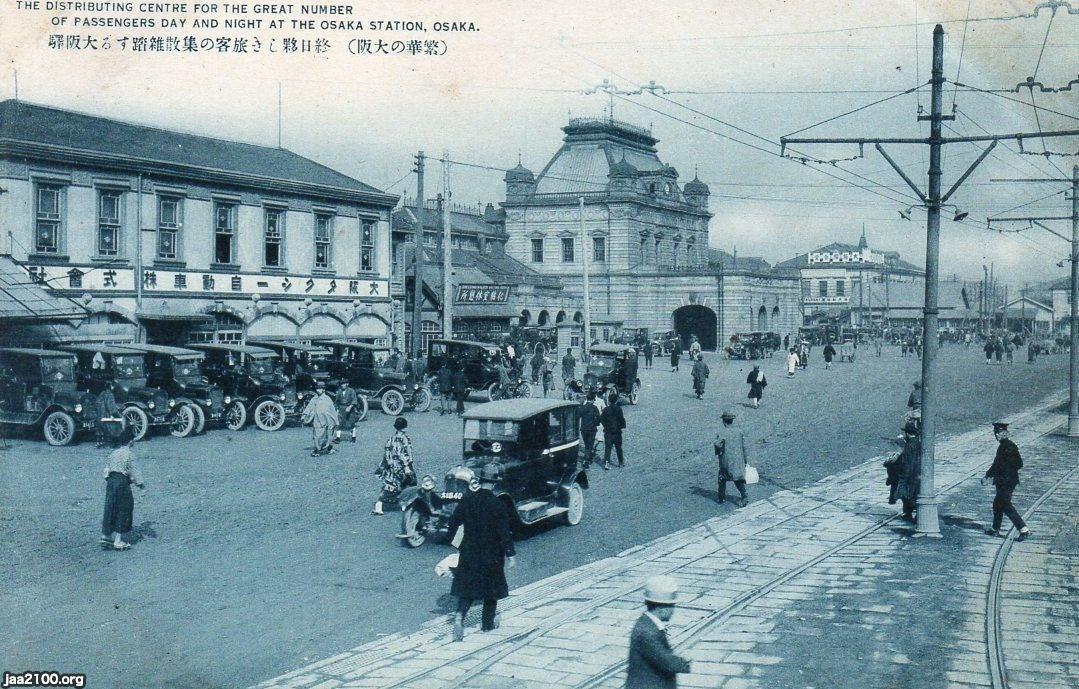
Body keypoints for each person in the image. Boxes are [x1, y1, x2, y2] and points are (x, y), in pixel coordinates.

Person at [448, 462, 516, 641]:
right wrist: (510, 554)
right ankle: (487, 625)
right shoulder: (498, 504)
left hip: (469, 551)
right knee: (491, 591)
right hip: (491, 555)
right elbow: (504, 532)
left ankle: (459, 616)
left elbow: (453, 521)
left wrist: (455, 542)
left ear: (481, 479)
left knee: (467, 589)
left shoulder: (468, 499)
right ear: (494, 483)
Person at [624, 575, 691, 689]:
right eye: (672, 606)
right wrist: (684, 664)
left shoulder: (646, 623)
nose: (673, 611)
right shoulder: (648, 632)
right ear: (663, 609)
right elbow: (667, 662)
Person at [982, 422, 1031, 539]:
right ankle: (995, 529)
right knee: (997, 504)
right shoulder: (1003, 446)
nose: (996, 435)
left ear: (1005, 434)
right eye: (996, 433)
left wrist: (1005, 471)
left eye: (999, 433)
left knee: (1005, 504)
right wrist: (988, 475)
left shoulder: (1009, 446)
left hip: (1007, 481)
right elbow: (996, 464)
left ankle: (1024, 529)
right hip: (1003, 481)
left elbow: (1019, 463)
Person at [100, 427, 144, 550]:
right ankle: (118, 541)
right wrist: (141, 485)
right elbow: (134, 472)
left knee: (110, 507)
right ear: (130, 441)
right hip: (121, 482)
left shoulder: (113, 453)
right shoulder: (130, 454)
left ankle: (106, 535)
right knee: (124, 508)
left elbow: (106, 470)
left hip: (111, 482)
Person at [374, 416, 415, 515]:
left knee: (391, 485)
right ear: (405, 427)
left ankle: (380, 505)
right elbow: (403, 453)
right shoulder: (404, 439)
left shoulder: (391, 439)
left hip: (391, 466)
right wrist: (406, 467)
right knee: (410, 484)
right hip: (401, 466)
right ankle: (409, 504)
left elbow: (387, 453)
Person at [885, 418, 921, 521]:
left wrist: (904, 476)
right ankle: (909, 513)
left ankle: (909, 514)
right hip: (918, 473)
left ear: (908, 433)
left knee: (907, 495)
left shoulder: (909, 446)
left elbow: (908, 463)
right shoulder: (917, 443)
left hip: (910, 475)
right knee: (913, 495)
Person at [714, 411, 749, 507]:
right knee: (737, 479)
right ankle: (744, 496)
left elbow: (717, 444)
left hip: (727, 460)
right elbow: (744, 446)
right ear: (732, 421)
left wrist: (719, 451)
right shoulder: (739, 431)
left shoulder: (722, 432)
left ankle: (721, 498)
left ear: (724, 421)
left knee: (722, 478)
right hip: (738, 459)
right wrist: (745, 460)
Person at [300, 382, 339, 457]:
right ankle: (318, 449)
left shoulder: (327, 399)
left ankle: (328, 448)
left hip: (327, 420)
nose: (318, 390)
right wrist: (304, 415)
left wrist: (336, 421)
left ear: (323, 389)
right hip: (317, 420)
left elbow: (332, 410)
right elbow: (309, 407)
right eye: (317, 388)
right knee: (317, 435)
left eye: (320, 389)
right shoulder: (314, 398)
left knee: (327, 435)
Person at [600, 390, 626, 470]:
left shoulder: (606, 409)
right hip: (617, 431)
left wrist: (605, 426)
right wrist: (622, 426)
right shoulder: (619, 409)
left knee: (608, 448)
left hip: (608, 432)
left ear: (609, 400)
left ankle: (607, 463)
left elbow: (602, 419)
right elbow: (622, 419)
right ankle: (621, 462)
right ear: (616, 400)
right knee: (618, 447)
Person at [94, 381, 122, 448]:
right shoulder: (110, 395)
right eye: (113, 386)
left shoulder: (102, 393)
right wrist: (118, 415)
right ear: (111, 386)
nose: (113, 387)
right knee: (112, 429)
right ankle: (111, 444)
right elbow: (111, 407)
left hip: (100, 416)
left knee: (101, 430)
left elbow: (97, 403)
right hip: (107, 415)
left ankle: (99, 443)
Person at [578, 391, 601, 468]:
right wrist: (596, 424)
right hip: (592, 429)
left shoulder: (582, 407)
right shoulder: (594, 408)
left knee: (587, 444)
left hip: (583, 429)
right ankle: (586, 461)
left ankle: (589, 457)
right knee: (589, 445)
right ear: (593, 400)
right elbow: (598, 418)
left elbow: (578, 415)